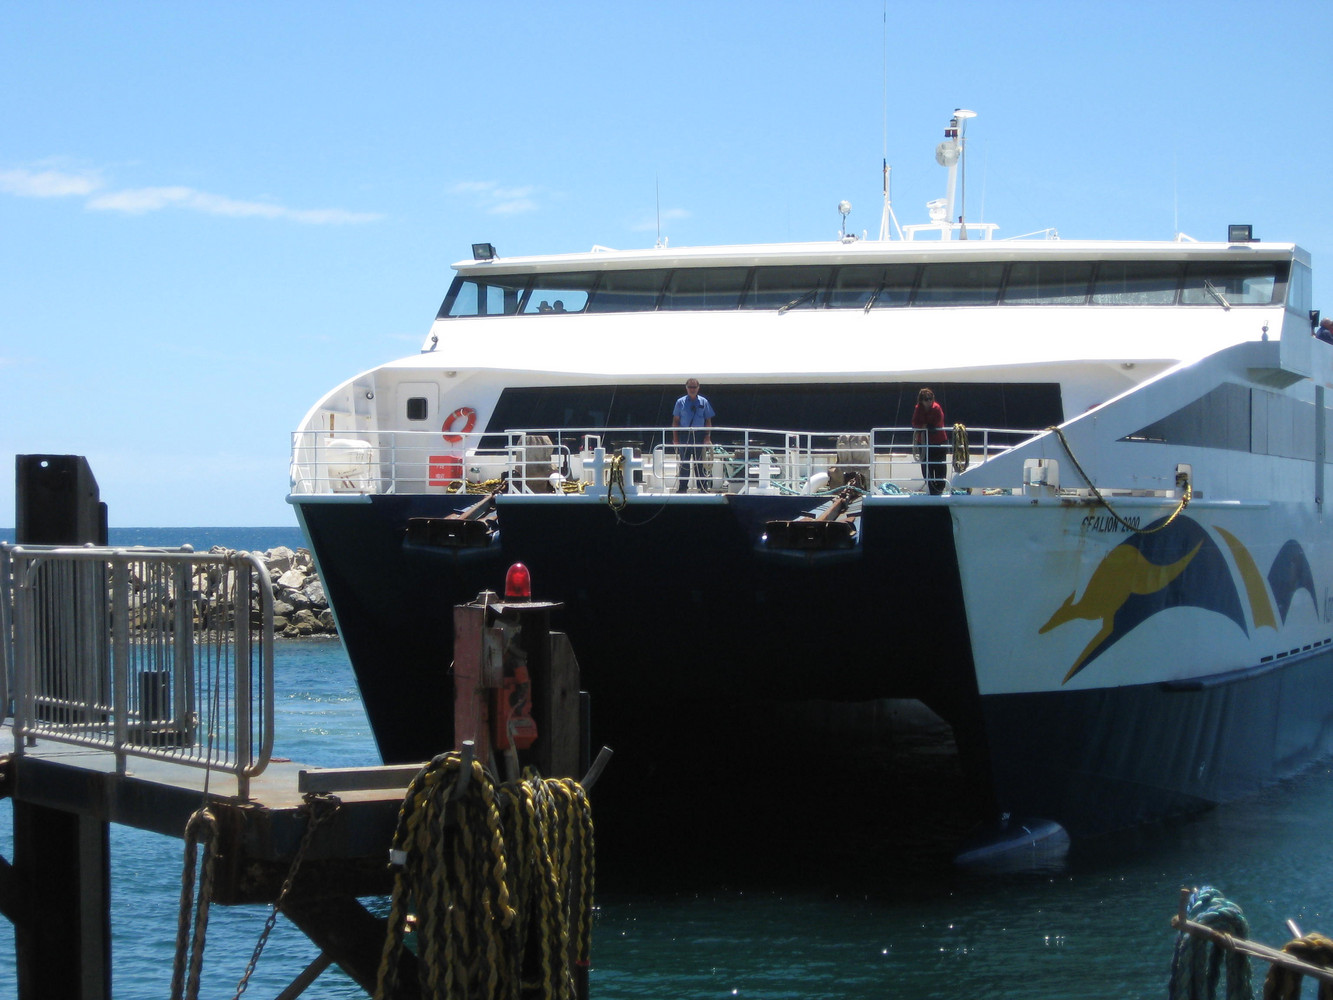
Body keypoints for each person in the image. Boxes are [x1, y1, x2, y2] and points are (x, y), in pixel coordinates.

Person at [672, 379, 715, 492]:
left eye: (694, 387)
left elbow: (708, 421)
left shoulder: (704, 402)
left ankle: (702, 487)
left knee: (699, 462)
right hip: (684, 435)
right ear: (686, 388)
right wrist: (675, 438)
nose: (692, 389)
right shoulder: (680, 402)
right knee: (684, 462)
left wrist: (707, 436)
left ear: (698, 388)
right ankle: (682, 488)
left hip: (699, 434)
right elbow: (676, 421)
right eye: (690, 387)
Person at [911, 387, 948, 495]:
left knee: (939, 466)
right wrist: (924, 426)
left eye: (930, 399)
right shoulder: (918, 408)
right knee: (926, 466)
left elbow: (937, 424)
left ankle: (939, 488)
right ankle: (932, 489)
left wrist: (925, 426)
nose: (929, 401)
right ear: (921, 400)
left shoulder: (937, 408)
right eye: (926, 399)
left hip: (938, 442)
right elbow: (915, 422)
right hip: (924, 442)